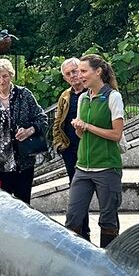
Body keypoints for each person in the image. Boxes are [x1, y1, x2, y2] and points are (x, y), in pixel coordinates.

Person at [64, 54, 126, 247]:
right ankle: (76, 257)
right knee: (72, 218)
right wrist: (79, 128)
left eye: (84, 71)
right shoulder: (83, 98)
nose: (80, 75)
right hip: (82, 167)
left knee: (108, 221)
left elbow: (116, 134)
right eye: (79, 71)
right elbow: (81, 135)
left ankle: (108, 258)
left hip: (107, 167)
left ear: (98, 71)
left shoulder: (113, 97)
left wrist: (88, 126)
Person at [0, 58, 48, 204]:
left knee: (23, 204)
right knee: (3, 206)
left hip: (23, 163)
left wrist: (29, 131)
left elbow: (42, 118)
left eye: (5, 76)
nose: (2, 80)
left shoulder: (24, 95)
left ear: (11, 75)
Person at [50, 57, 89, 240]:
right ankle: (82, 231)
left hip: (91, 149)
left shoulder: (92, 91)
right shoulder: (65, 96)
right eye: (68, 74)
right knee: (77, 192)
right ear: (65, 78)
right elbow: (57, 122)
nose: (73, 75)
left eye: (75, 71)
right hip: (70, 150)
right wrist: (59, 145)